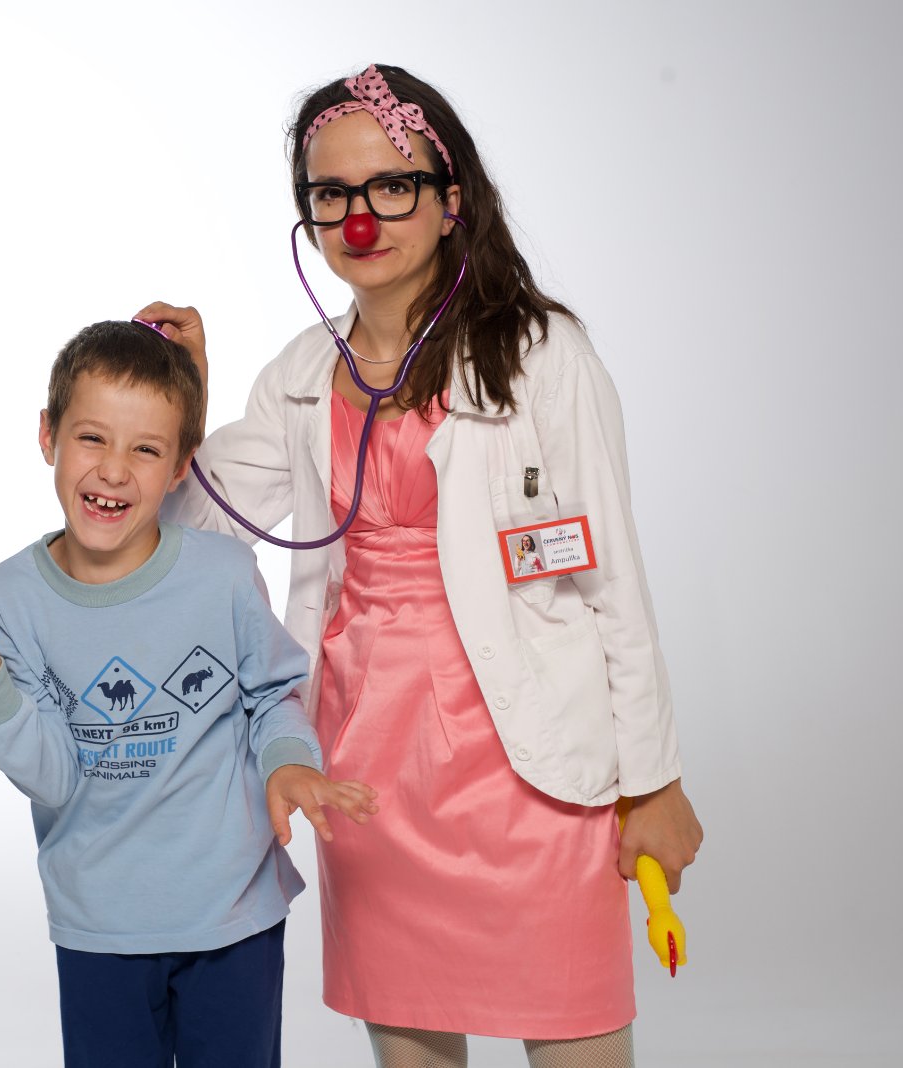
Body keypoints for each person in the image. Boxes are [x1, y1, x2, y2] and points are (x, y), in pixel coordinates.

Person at [140, 65, 704, 1068]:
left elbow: (612, 579)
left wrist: (653, 780)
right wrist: (184, 395)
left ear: (450, 201)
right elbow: (188, 533)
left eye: (391, 185)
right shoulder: (304, 374)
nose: (359, 218)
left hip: (531, 763)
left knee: (576, 1034)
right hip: (368, 770)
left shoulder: (540, 356)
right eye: (331, 194)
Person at [0, 320, 377, 1068]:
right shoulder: (12, 599)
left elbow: (274, 693)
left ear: (182, 465)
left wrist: (289, 761)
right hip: (99, 924)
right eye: (92, 438)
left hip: (233, 914)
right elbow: (54, 776)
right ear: (48, 435)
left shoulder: (223, 574)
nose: (115, 470)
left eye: (146, 450)